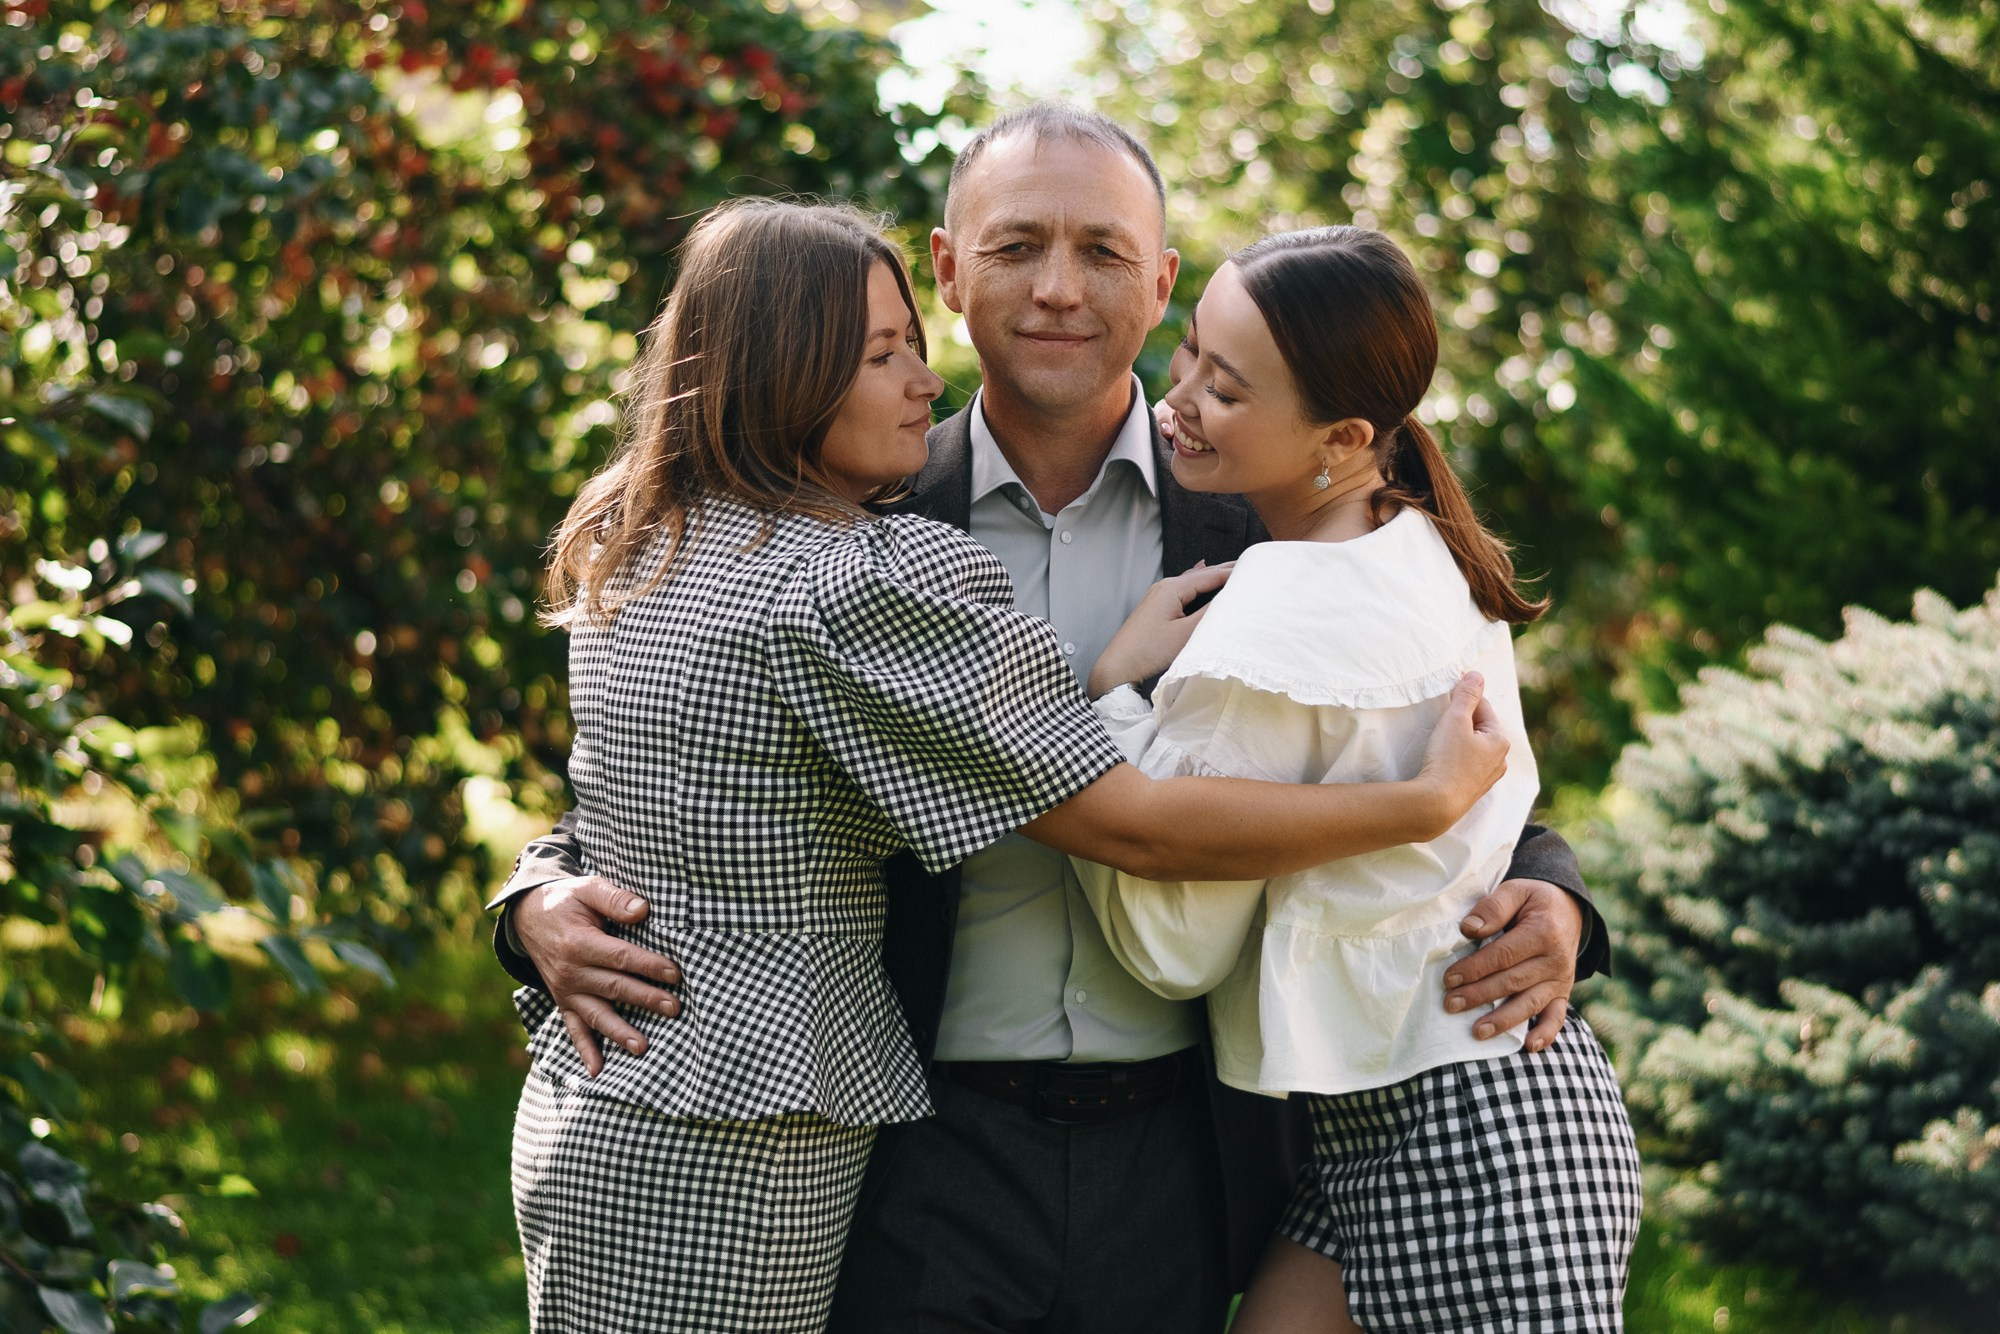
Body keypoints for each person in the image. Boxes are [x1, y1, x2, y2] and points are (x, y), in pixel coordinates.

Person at [490, 104, 1611, 1332]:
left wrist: (1553, 896)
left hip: (1187, 1146)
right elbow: (689, 773)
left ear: (1162, 281)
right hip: (922, 1150)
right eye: (1017, 246)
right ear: (948, 270)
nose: (1058, 291)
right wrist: (536, 900)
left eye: (1102, 252)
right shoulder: (852, 513)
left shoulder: (1270, 511)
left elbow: (1449, 730)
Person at [1078, 228, 1644, 1333]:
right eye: (1187, 353)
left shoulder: (1284, 603)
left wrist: (1111, 686)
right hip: (1428, 1104)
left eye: (1223, 389)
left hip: (1467, 1133)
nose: (1176, 397)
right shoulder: (1417, 540)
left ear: (1340, 435)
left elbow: (1168, 940)